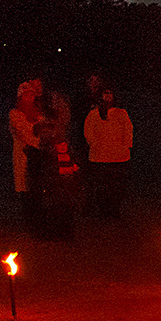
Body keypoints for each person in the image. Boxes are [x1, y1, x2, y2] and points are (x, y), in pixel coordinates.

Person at [33, 87, 80, 239]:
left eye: (58, 101)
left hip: (61, 162)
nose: (56, 103)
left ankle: (64, 230)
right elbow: (39, 133)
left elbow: (60, 131)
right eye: (53, 100)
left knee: (63, 197)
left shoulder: (61, 129)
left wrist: (74, 170)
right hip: (50, 161)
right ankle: (54, 229)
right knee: (53, 197)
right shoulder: (44, 121)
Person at [83, 85, 132, 218]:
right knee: (102, 186)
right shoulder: (93, 114)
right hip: (100, 156)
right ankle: (103, 211)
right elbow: (88, 132)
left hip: (118, 156)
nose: (108, 96)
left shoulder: (121, 113)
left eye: (110, 93)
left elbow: (128, 131)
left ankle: (114, 211)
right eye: (105, 93)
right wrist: (95, 144)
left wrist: (124, 146)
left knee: (116, 186)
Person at [9, 78, 45, 225]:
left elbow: (45, 130)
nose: (29, 98)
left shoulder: (39, 114)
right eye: (26, 96)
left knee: (38, 186)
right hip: (24, 155)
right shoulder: (15, 114)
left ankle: (39, 218)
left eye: (31, 95)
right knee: (25, 185)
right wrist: (40, 141)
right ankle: (29, 219)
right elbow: (24, 134)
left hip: (39, 156)